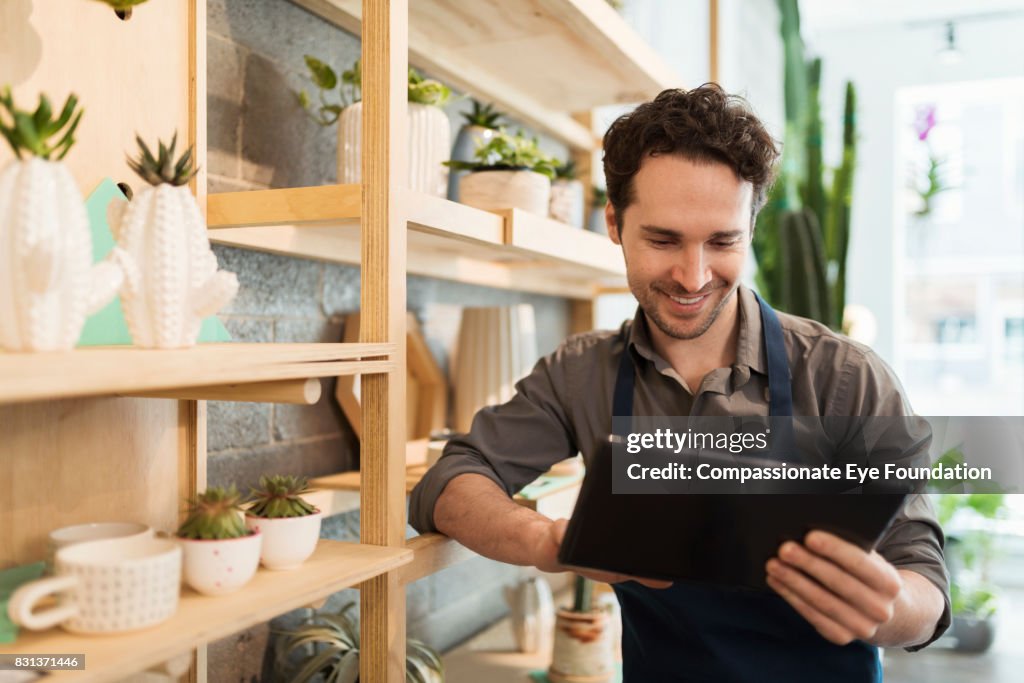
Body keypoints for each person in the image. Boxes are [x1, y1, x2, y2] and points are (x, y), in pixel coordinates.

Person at [409, 84, 949, 682]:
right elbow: (450, 483)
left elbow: (923, 583)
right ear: (615, 223)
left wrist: (886, 605)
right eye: (663, 240)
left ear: (751, 226)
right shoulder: (581, 374)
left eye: (722, 242)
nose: (693, 277)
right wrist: (553, 542)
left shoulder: (847, 377)